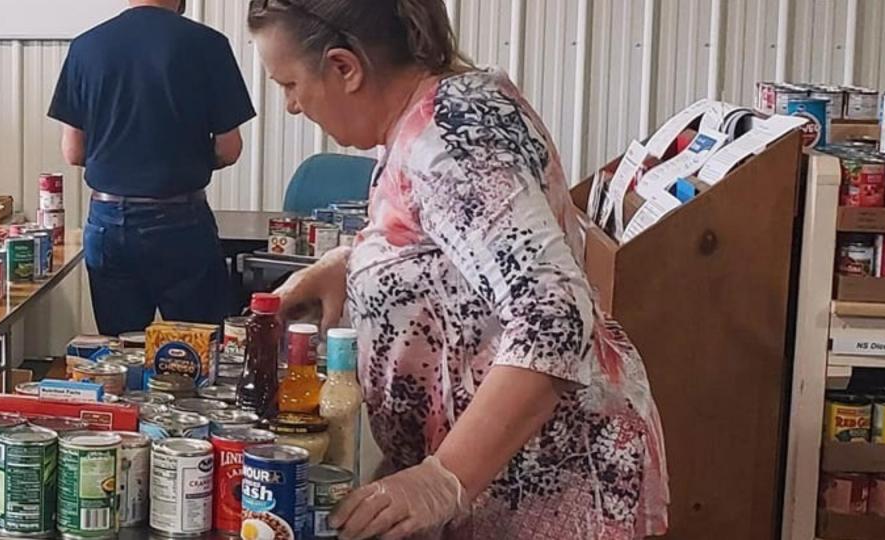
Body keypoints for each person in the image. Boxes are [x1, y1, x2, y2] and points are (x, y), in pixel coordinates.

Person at [249, 1, 668, 538]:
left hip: (541, 480)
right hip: (501, 476)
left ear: (344, 67)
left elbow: (554, 316)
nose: (290, 105)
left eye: (289, 84)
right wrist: (347, 265)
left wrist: (444, 477)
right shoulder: (428, 118)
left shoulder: (450, 138)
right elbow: (455, 245)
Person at [48, 0, 255, 336]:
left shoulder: (86, 47)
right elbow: (229, 149)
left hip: (109, 222)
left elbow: (73, 152)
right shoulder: (208, 44)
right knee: (196, 349)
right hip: (182, 221)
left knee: (120, 350)